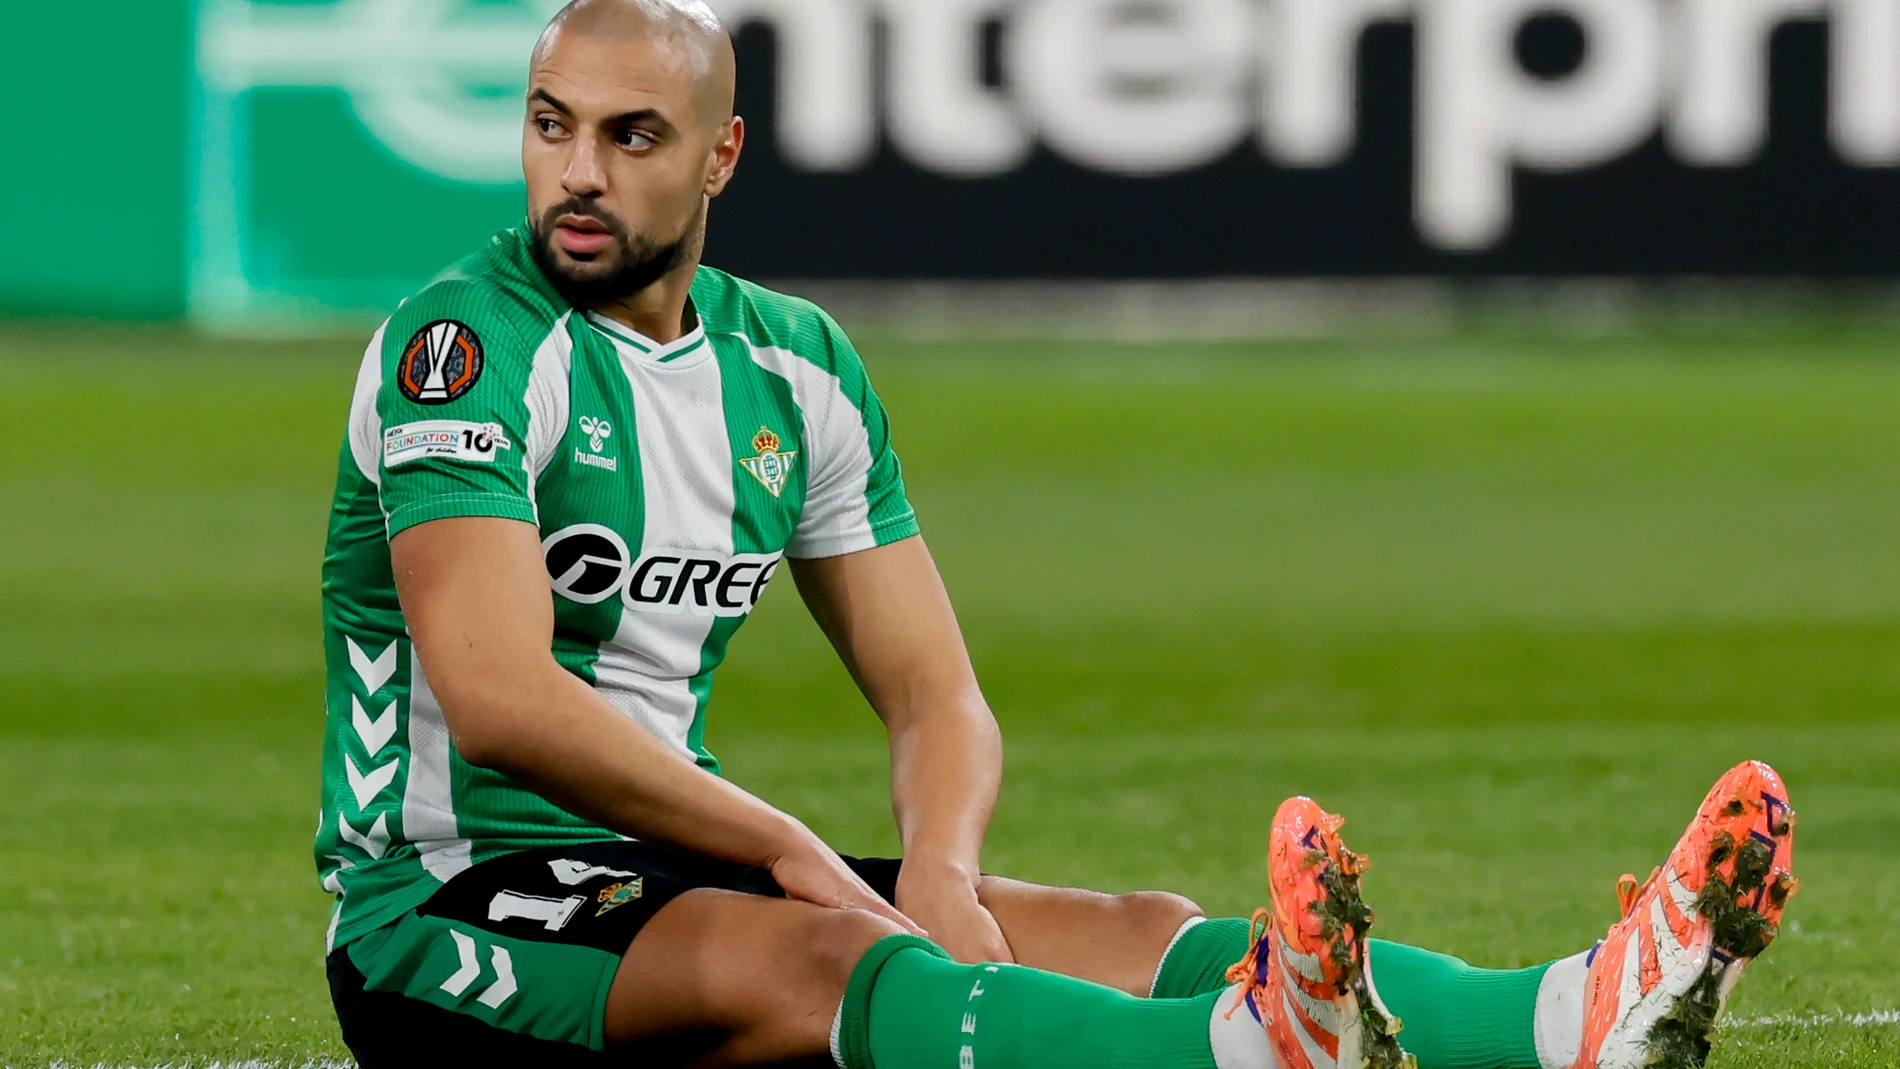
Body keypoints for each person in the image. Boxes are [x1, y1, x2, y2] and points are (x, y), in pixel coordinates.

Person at [313, 3, 1799, 1067]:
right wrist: (789, 845)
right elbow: (499, 701)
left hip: (665, 862)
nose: (578, 172)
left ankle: (1576, 1014)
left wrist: (942, 866)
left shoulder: (797, 368)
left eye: (633, 136)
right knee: (834, 950)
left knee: (1122, 921)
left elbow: (934, 695)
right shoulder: (467, 343)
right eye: (550, 126)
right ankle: (1261, 1051)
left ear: (720, 157)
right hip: (438, 912)